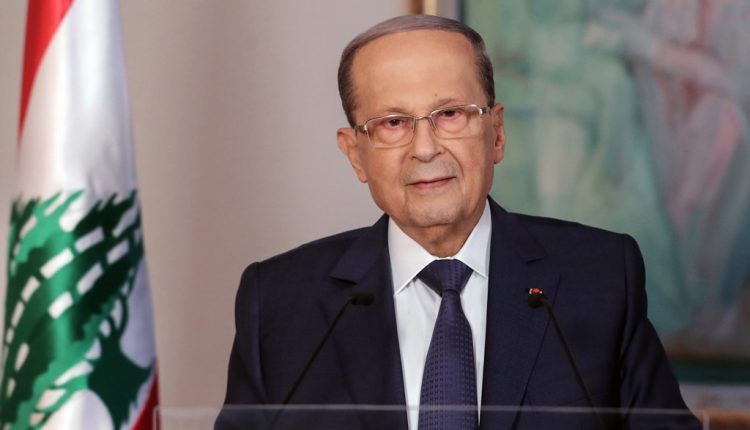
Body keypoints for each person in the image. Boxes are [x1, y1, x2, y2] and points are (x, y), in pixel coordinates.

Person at [216, 14, 701, 430]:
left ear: (497, 133)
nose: (425, 148)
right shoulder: (280, 303)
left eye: (450, 113)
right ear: (355, 153)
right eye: (393, 123)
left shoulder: (599, 278)